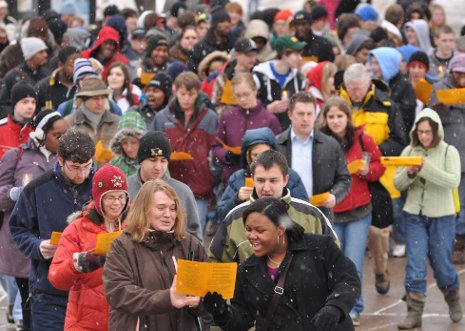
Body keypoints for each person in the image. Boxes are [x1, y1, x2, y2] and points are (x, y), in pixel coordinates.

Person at [204, 197, 360, 331]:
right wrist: (222, 312)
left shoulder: (319, 247)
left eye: (260, 230)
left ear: (280, 229)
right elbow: (243, 319)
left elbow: (348, 280)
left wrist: (335, 308)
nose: (251, 236)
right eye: (248, 229)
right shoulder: (246, 271)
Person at [9, 130, 95, 330]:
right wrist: (37, 246)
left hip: (92, 289)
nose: (81, 174)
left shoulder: (99, 187)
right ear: (60, 159)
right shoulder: (38, 188)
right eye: (75, 167)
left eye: (87, 166)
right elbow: (18, 229)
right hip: (49, 291)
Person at [103, 179, 207, 330]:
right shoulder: (123, 246)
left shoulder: (189, 243)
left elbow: (207, 293)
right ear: (144, 209)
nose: (168, 214)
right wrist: (167, 298)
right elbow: (118, 293)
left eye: (172, 208)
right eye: (161, 208)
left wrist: (199, 302)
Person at [339, 63, 407, 295]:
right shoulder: (338, 105)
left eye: (359, 88)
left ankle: (381, 269)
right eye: (351, 89)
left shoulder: (386, 105)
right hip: (347, 176)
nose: (355, 93)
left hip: (379, 178)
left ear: (368, 83)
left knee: (379, 230)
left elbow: (399, 140)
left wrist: (371, 151)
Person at [394, 108, 462, 329]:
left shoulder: (448, 151)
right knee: (415, 264)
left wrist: (424, 169)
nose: (423, 136)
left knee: (442, 264)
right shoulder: (409, 150)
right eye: (420, 131)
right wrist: (410, 173)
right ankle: (414, 313)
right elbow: (397, 184)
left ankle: (452, 296)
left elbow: (452, 181)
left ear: (436, 131)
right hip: (414, 215)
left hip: (442, 216)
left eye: (428, 132)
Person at [319, 96, 385, 326]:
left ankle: (354, 307)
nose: (336, 121)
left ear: (348, 117)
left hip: (358, 210)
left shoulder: (363, 139)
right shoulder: (320, 142)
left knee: (353, 262)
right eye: (331, 116)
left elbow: (379, 165)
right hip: (331, 211)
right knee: (333, 263)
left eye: (340, 116)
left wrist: (368, 170)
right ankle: (334, 306)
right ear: (325, 119)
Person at [0, 109, 67, 331]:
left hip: (54, 242)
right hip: (25, 244)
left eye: (65, 134)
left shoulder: (65, 160)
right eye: (57, 135)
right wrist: (15, 194)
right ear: (41, 134)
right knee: (28, 300)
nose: (63, 140)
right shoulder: (17, 156)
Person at [209, 149, 337, 263]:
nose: (266, 188)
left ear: (285, 180)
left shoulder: (311, 215)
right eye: (261, 180)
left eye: (273, 181)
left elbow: (334, 257)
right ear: (252, 179)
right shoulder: (235, 218)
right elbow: (216, 262)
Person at [49, 164, 129, 330]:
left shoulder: (135, 226)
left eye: (121, 197)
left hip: (125, 320)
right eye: (109, 197)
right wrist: (79, 263)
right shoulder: (77, 229)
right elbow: (56, 278)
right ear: (98, 199)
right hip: (85, 322)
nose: (116, 203)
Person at [151, 72, 217, 234]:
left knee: (195, 231)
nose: (186, 98)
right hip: (169, 182)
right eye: (182, 94)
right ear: (175, 91)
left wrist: (213, 174)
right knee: (168, 230)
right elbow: (153, 148)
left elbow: (215, 149)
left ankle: (193, 260)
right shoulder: (162, 117)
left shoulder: (209, 117)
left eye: (191, 94)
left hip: (199, 184)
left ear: (198, 93)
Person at [275, 92, 351, 221]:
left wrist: (334, 196)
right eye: (300, 114)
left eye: (309, 114)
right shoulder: (277, 144)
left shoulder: (330, 144)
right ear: (290, 115)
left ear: (315, 115)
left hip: (320, 213)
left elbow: (344, 178)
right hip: (285, 214)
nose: (305, 119)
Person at [217, 127, 309, 221]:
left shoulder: (290, 175)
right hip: (247, 233)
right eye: (256, 155)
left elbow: (305, 212)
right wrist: (237, 198)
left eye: (273, 180)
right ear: (248, 156)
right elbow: (222, 215)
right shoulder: (238, 178)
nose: (261, 158)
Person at [127, 131, 202, 241]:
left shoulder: (182, 192)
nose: (158, 166)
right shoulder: (125, 189)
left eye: (163, 161)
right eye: (152, 160)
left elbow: (195, 236)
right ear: (141, 161)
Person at [212, 72, 281, 186]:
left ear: (255, 91)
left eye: (246, 94)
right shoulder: (227, 117)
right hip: (232, 178)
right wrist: (227, 155)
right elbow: (216, 146)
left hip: (263, 180)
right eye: (238, 95)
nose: (243, 99)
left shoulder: (269, 119)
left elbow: (279, 151)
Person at [429, 53, 465, 264]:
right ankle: (450, 241)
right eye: (459, 75)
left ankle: (460, 240)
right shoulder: (440, 87)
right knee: (450, 201)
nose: (462, 79)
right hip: (449, 152)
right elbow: (430, 118)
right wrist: (439, 107)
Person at [64, 76, 120, 167]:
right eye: (95, 98)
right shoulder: (69, 123)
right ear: (84, 99)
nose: (100, 102)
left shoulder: (117, 122)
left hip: (109, 177)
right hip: (80, 177)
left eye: (103, 97)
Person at [253, 35, 306, 130]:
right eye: (296, 54)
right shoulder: (259, 75)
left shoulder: (298, 78)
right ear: (284, 54)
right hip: (263, 130)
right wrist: (267, 109)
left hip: (289, 132)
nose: (300, 58)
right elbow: (249, 106)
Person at [368, 47, 417, 133]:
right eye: (372, 63)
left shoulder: (404, 87)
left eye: (377, 63)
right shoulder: (375, 85)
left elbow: (406, 118)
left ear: (388, 64)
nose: (373, 67)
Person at [0, 37, 49, 118]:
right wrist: (18, 115)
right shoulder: (12, 76)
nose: (45, 54)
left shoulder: (46, 74)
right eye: (41, 52)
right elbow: (3, 104)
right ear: (31, 55)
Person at [211, 37, 259, 110]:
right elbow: (215, 105)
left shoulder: (258, 76)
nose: (253, 59)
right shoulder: (224, 77)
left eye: (254, 55)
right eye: (249, 55)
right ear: (237, 55)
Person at [188, 7, 236, 73]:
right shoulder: (200, 47)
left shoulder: (233, 44)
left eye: (228, 21)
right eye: (222, 21)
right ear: (215, 24)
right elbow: (194, 69)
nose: (226, 24)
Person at [35, 46, 81, 112]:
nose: (77, 69)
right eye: (72, 65)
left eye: (79, 65)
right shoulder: (44, 87)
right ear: (60, 65)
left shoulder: (86, 85)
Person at [0, 82, 36, 159]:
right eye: (25, 102)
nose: (30, 106)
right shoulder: (1, 128)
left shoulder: (38, 130)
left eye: (33, 102)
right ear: (15, 104)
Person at [109, 111, 147, 176]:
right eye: (124, 143)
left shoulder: (154, 162)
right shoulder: (114, 165)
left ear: (142, 141)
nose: (129, 148)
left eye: (134, 142)